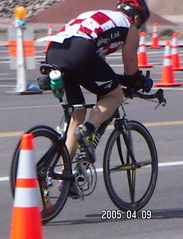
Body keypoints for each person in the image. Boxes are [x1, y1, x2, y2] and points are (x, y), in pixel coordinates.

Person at [44, 0, 153, 162]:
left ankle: (65, 176)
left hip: (54, 50)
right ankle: (87, 130)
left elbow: (98, 66)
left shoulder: (102, 17)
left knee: (77, 114)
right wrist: (138, 81)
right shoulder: (129, 27)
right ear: (136, 18)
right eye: (140, 23)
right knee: (115, 95)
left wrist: (115, 79)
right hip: (79, 51)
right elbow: (130, 68)